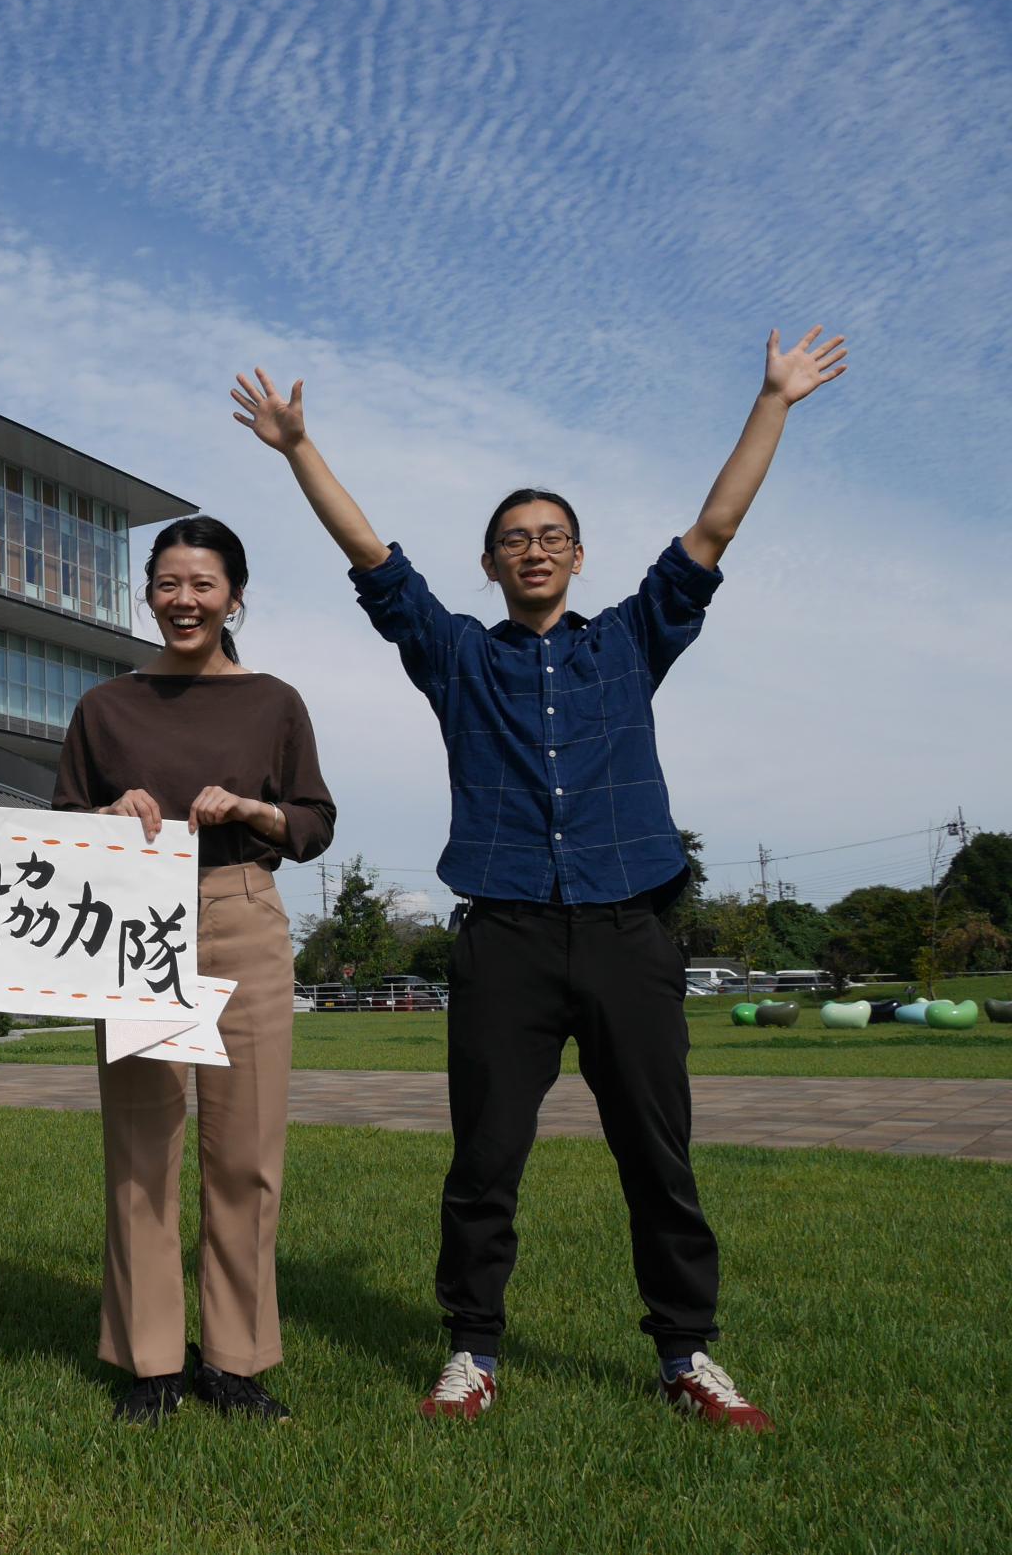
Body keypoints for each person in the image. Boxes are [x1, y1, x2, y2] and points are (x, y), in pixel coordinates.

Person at [231, 326, 849, 1431]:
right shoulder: (459, 656)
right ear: (490, 562)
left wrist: (773, 401)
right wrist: (296, 448)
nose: (532, 549)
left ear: (576, 553)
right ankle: (471, 1349)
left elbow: (714, 526)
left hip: (627, 929)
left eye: (550, 535)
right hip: (505, 934)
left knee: (658, 1156)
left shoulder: (629, 640)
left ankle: (687, 1354)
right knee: (484, 1160)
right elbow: (376, 561)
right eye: (512, 538)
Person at [52, 516, 336, 1425]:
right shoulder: (105, 706)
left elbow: (315, 821)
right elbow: (58, 826)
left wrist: (255, 808)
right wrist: (108, 812)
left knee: (244, 1146)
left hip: (241, 909)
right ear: (148, 595)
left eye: (203, 585)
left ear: (234, 597)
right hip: (134, 920)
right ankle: (151, 1364)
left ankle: (237, 1361)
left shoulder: (274, 701)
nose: (185, 601)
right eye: (168, 584)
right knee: (142, 1144)